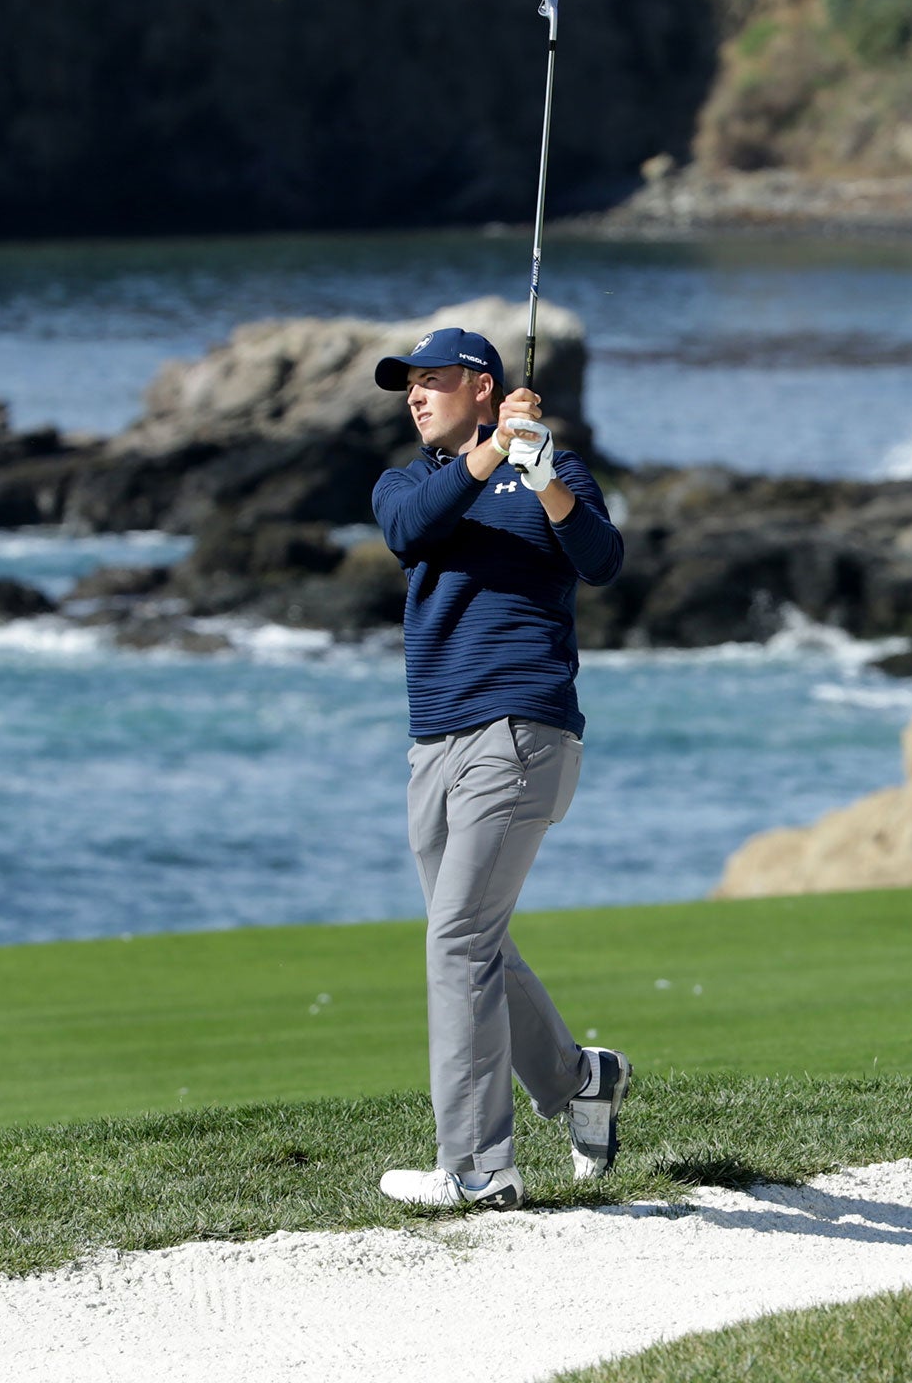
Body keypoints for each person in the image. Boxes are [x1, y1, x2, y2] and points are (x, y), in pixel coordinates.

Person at [368, 325, 629, 1209]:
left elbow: (601, 559)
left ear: (483, 383)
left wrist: (541, 471)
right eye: (407, 384)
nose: (414, 394)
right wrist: (485, 460)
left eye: (431, 379)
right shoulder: (409, 482)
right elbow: (411, 532)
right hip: (432, 744)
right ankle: (580, 1081)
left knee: (456, 939)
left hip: (520, 735)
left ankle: (478, 1167)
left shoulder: (549, 471)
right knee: (473, 936)